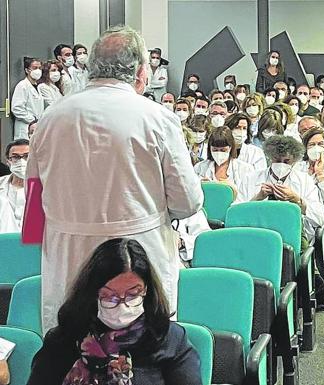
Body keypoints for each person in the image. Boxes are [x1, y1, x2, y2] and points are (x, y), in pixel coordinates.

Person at [27, 25, 204, 334]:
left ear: (92, 68)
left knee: (71, 356)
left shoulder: (51, 118)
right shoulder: (156, 117)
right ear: (140, 71)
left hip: (67, 258)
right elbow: (187, 202)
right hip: (138, 255)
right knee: (142, 361)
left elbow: (32, 206)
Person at [27, 238, 201, 384]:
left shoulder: (170, 340)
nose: (122, 304)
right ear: (92, 294)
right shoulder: (64, 339)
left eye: (133, 294)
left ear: (146, 290)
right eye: (109, 296)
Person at [236, 135, 324, 310]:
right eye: (277, 160)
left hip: (293, 235)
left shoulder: (303, 181)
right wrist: (258, 198)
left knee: (294, 244)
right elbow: (234, 214)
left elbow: (320, 218)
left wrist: (297, 200)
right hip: (256, 233)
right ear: (269, 157)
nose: (281, 164)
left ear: (295, 161)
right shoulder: (251, 178)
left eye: (286, 161)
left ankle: (318, 288)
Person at [194, 126, 253, 197]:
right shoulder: (199, 167)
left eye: (223, 150)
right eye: (215, 150)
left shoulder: (245, 169)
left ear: (230, 148)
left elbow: (248, 197)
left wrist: (232, 189)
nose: (219, 153)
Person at [11, 57, 44, 140]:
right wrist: (32, 120)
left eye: (40, 68)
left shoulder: (37, 87)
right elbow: (17, 108)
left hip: (36, 127)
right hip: (25, 128)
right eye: (35, 68)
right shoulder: (22, 86)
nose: (38, 71)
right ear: (27, 70)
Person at [0, 139, 28, 233]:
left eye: (27, 156)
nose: (21, 161)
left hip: (35, 245)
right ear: (8, 161)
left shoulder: (46, 189)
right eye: (15, 157)